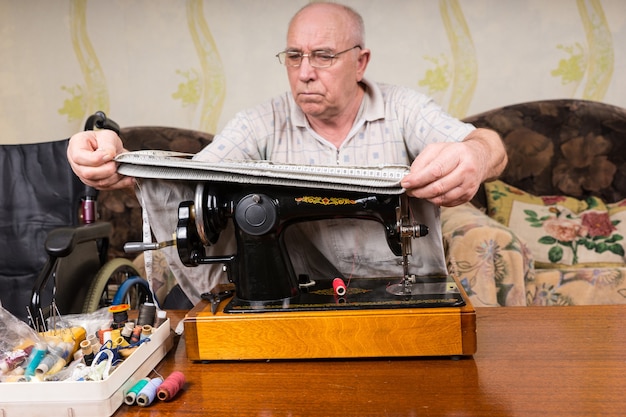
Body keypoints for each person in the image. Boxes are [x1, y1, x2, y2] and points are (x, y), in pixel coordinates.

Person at [67, 2, 507, 305]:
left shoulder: (404, 108)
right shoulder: (259, 123)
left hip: (397, 287)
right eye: (294, 56)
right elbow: (198, 180)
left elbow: (489, 145)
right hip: (299, 297)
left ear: (362, 61)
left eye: (323, 56)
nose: (305, 72)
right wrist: (120, 164)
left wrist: (475, 157)